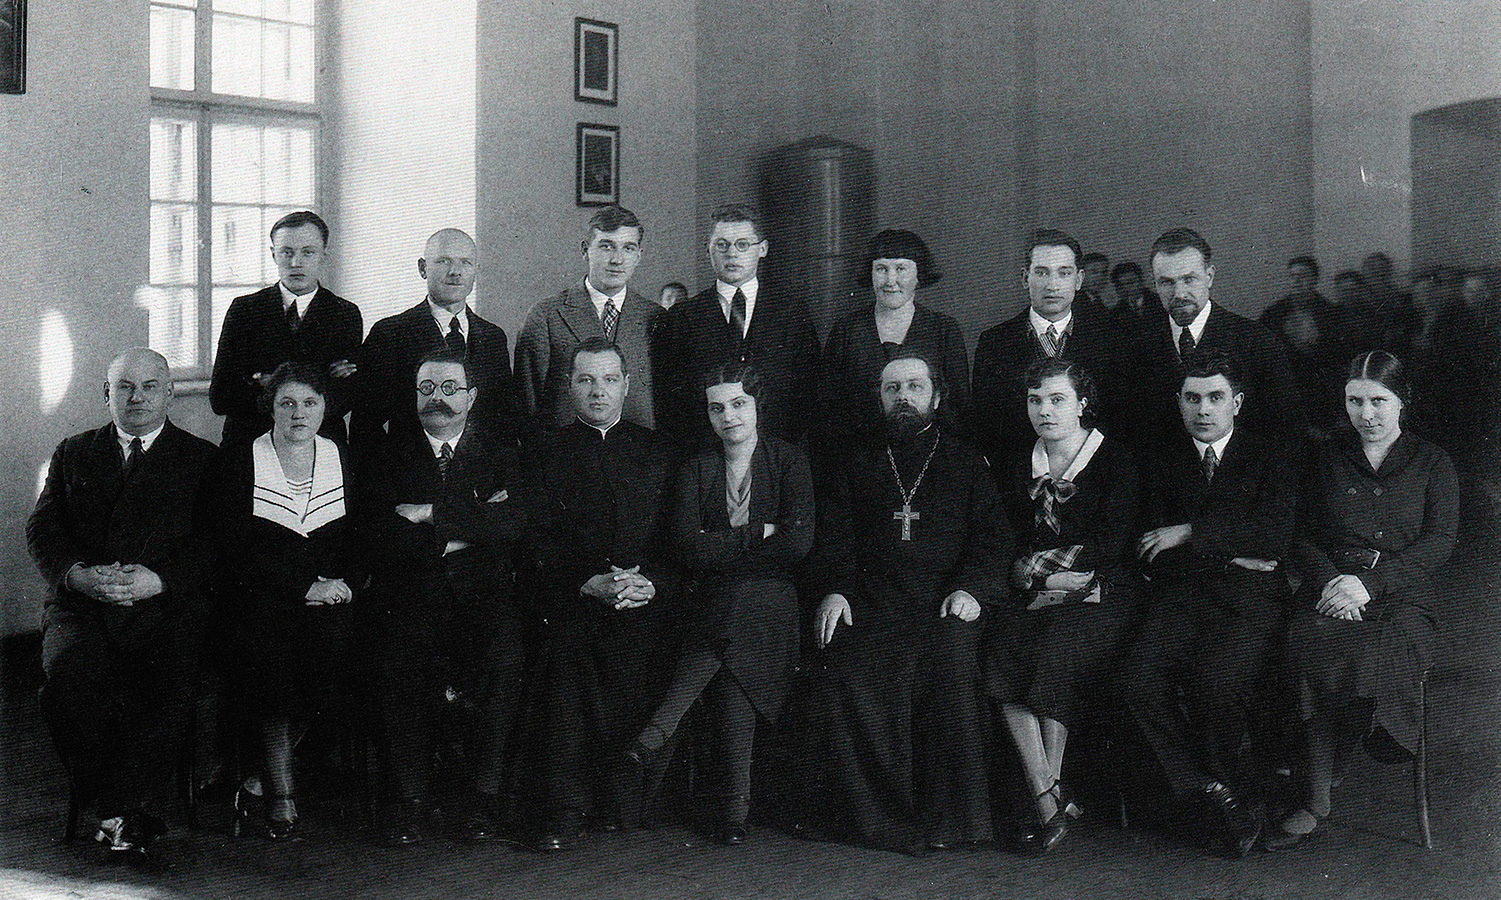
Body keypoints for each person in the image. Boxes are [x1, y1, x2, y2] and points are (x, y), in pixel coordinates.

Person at [804, 354, 1010, 855]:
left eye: (914, 387)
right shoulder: (857, 464)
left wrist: (972, 590)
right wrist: (835, 589)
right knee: (840, 660)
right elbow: (835, 540)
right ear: (879, 398)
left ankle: (955, 821)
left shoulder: (966, 462)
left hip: (945, 603)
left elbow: (993, 542)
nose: (903, 397)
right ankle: (870, 817)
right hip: (873, 603)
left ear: (937, 397)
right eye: (892, 388)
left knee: (950, 660)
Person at [27, 348, 217, 860]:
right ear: (106, 394)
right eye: (125, 387)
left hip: (164, 606)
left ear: (170, 393)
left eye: (150, 386)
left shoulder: (202, 458)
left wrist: (161, 580)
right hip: (84, 606)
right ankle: (120, 811)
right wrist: (78, 576)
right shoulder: (74, 452)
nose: (137, 398)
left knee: (169, 680)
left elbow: (216, 542)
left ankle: (116, 809)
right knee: (66, 681)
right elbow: (43, 529)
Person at [1267, 352, 1459, 850]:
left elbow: (1439, 543)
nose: (1366, 414)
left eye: (1378, 401)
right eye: (1355, 401)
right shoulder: (1325, 456)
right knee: (1309, 643)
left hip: (1402, 594)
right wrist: (1334, 580)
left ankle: (1349, 748)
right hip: (1330, 587)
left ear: (1402, 401)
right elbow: (1299, 533)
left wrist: (1370, 585)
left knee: (1379, 649)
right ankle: (1316, 797)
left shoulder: (1433, 462)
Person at [621, 363, 815, 845]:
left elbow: (797, 543)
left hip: (771, 602)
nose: (729, 417)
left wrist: (722, 543)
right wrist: (758, 532)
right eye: (717, 408)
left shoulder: (788, 460)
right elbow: (687, 546)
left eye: (738, 404)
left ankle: (657, 732)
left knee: (734, 624)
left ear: (758, 405)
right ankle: (734, 810)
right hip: (716, 602)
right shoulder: (697, 467)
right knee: (733, 655)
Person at [1121, 349, 1297, 858]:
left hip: (1251, 601)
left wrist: (1189, 532)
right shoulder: (1158, 456)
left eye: (1216, 397)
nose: (1203, 410)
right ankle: (1213, 789)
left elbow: (1276, 539)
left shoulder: (1271, 453)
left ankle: (1227, 791)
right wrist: (1231, 549)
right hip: (1180, 596)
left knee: (1216, 686)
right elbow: (1146, 546)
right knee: (1135, 679)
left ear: (1236, 402)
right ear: (1178, 402)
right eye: (1192, 398)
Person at [358, 350, 527, 846]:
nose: (438, 398)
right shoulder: (385, 454)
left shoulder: (502, 453)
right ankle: (409, 800)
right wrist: (468, 527)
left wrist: (430, 513)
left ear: (471, 397)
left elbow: (513, 525)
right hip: (410, 594)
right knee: (397, 659)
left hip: (484, 596)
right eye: (427, 388)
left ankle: (482, 797)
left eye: (450, 388)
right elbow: (378, 534)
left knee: (505, 658)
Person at [521, 338, 677, 851]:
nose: (598, 391)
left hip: (647, 599)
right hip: (575, 597)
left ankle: (622, 801)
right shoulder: (544, 451)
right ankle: (566, 806)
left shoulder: (659, 450)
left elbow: (678, 538)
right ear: (569, 386)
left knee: (650, 652)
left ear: (627, 385)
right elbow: (535, 541)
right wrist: (586, 582)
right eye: (585, 380)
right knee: (568, 655)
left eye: (609, 380)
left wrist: (650, 582)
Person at [982, 358, 1141, 855]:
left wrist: (1035, 568)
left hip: (1104, 590)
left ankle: (1046, 802)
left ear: (1081, 404)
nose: (1045, 411)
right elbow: (1005, 538)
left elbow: (1111, 543)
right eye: (1035, 401)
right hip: (1038, 591)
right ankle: (1047, 791)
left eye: (1057, 400)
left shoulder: (1113, 459)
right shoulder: (1018, 462)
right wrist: (1041, 575)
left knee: (1056, 648)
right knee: (1002, 649)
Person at [210, 362, 358, 841]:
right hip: (259, 596)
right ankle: (281, 792)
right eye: (287, 403)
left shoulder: (340, 455)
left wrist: (343, 582)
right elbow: (233, 548)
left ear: (325, 408)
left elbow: (358, 534)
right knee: (269, 657)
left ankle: (261, 774)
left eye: (310, 402)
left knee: (346, 654)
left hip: (329, 595)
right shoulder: (241, 459)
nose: (299, 413)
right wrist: (301, 587)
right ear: (269, 408)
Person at [656, 204, 819, 451]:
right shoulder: (682, 317)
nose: (732, 254)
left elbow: (809, 391)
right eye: (722, 245)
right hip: (704, 455)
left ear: (762, 249)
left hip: (777, 453)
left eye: (743, 245)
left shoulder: (792, 312)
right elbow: (670, 401)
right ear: (708, 249)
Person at [972, 229, 1137, 469]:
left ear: (1078, 280)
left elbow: (1122, 419)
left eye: (1064, 273)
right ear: (1025, 278)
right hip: (1018, 476)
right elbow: (987, 426)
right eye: (1042, 273)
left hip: (1097, 474)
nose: (1052, 285)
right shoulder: (995, 342)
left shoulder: (1111, 338)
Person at [351, 228, 522, 454]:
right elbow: (365, 426)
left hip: (480, 472)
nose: (455, 272)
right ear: (423, 268)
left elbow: (504, 423)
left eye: (466, 263)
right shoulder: (390, 334)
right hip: (409, 471)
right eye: (443, 261)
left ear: (476, 271)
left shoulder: (492, 337)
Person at [1138, 228, 1305, 449]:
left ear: (1209, 276)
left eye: (1189, 279)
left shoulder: (1256, 340)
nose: (1179, 293)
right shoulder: (1136, 344)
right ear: (1155, 284)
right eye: (1167, 282)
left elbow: (1287, 428)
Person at [210, 211, 364, 447]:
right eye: (287, 252)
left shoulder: (344, 313)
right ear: (274, 254)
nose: (295, 263)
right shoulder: (245, 310)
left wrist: (266, 382)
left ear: (324, 255)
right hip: (250, 444)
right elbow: (221, 397)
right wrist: (319, 382)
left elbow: (345, 397)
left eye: (308, 252)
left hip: (321, 446)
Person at [819, 229, 972, 456]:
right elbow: (827, 411)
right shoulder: (846, 330)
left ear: (919, 275)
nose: (890, 281)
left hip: (930, 459)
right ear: (870, 274)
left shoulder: (943, 329)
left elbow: (958, 411)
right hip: (858, 460)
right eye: (881, 269)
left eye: (901, 269)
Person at [516, 206, 663, 432]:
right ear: (585, 250)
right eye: (606, 246)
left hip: (640, 450)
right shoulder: (546, 316)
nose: (617, 260)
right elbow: (527, 406)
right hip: (564, 450)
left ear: (638, 256)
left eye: (628, 248)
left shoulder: (656, 318)